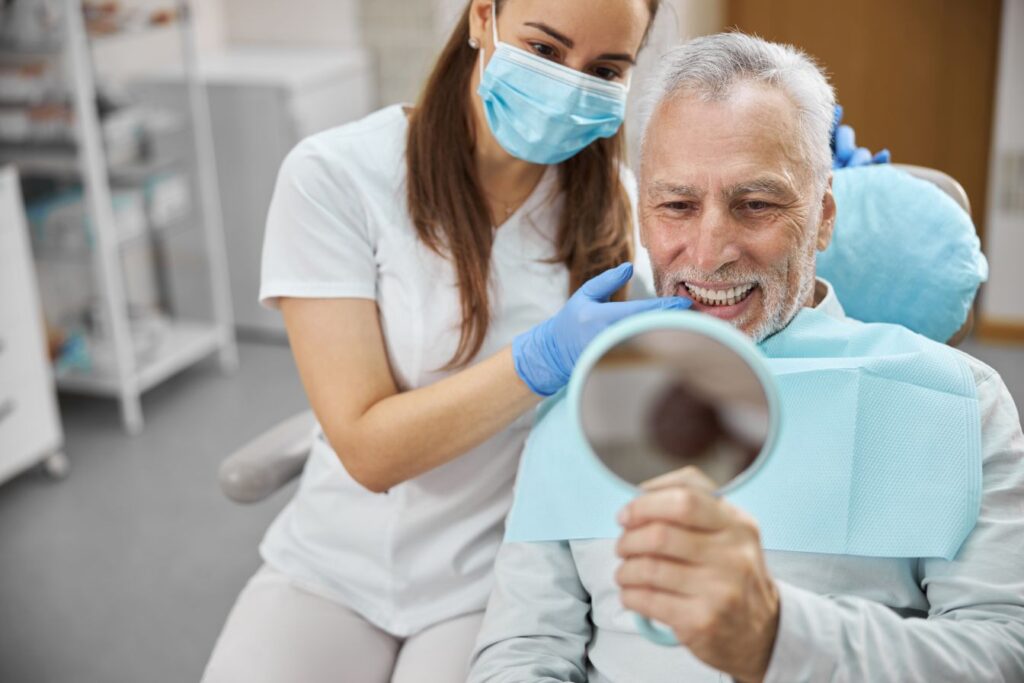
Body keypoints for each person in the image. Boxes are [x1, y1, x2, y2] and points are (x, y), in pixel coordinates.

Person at [201, 1, 885, 678]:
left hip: (491, 580)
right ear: (480, 19)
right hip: (332, 564)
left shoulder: (621, 208)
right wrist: (540, 359)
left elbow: (720, 316)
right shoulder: (336, 176)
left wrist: (802, 186)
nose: (568, 83)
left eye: (606, 67)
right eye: (546, 50)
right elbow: (368, 451)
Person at [469, 32, 1024, 683]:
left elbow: (1002, 650)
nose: (708, 254)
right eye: (677, 205)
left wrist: (779, 637)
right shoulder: (581, 398)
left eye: (754, 204)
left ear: (822, 216)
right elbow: (524, 646)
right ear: (643, 214)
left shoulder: (956, 399)